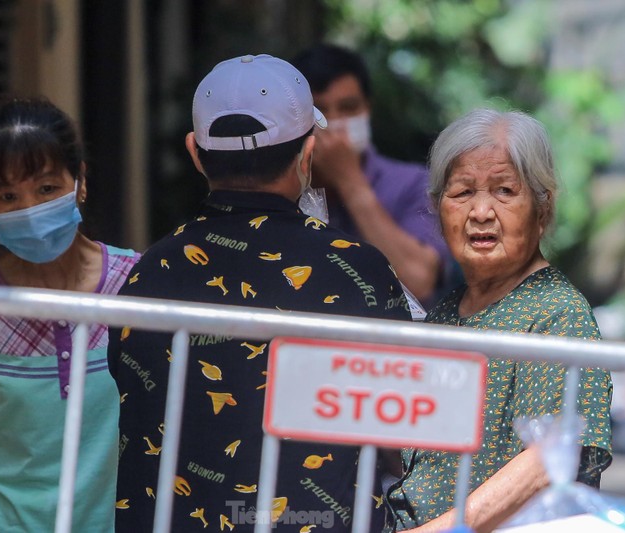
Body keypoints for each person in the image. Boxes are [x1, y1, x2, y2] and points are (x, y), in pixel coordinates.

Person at [108, 54, 414, 532]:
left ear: (194, 152)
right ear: (308, 154)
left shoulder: (150, 273)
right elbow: (403, 428)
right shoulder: (358, 269)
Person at [384, 108, 613, 532]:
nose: (481, 212)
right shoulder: (445, 313)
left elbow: (550, 460)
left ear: (542, 209)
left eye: (504, 191)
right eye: (463, 192)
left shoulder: (557, 313)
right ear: (437, 209)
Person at [0, 96, 140, 532]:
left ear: (80, 181)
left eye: (45, 189)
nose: (29, 211)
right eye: (7, 196)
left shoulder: (137, 286)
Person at [292, 43, 452, 306]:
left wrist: (350, 181)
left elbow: (419, 280)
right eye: (318, 112)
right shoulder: (280, 185)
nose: (332, 124)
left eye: (348, 108)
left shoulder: (414, 183)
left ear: (367, 109)